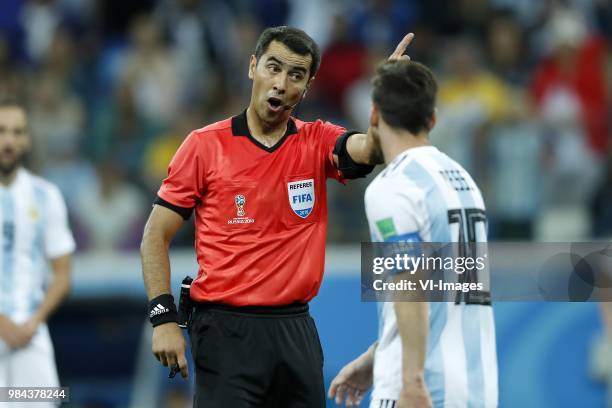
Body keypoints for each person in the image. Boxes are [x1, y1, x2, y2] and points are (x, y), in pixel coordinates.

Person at [140, 26, 414, 407]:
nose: (282, 83)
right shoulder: (204, 146)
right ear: (253, 67)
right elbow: (155, 235)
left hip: (295, 330)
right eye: (273, 67)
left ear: (307, 86)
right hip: (225, 332)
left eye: (296, 75)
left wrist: (387, 100)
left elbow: (370, 149)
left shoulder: (317, 140)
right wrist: (163, 319)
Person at [328, 61, 498, 407]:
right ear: (432, 119)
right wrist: (377, 356)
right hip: (477, 389)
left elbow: (411, 283)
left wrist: (412, 382)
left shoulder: (393, 188)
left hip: (421, 391)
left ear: (373, 115)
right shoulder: (463, 181)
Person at [0, 97, 75, 401]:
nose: (9, 140)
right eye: (2, 130)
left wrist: (33, 321)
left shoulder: (46, 196)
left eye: (18, 132)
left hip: (31, 334)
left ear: (28, 139)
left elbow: (62, 275)